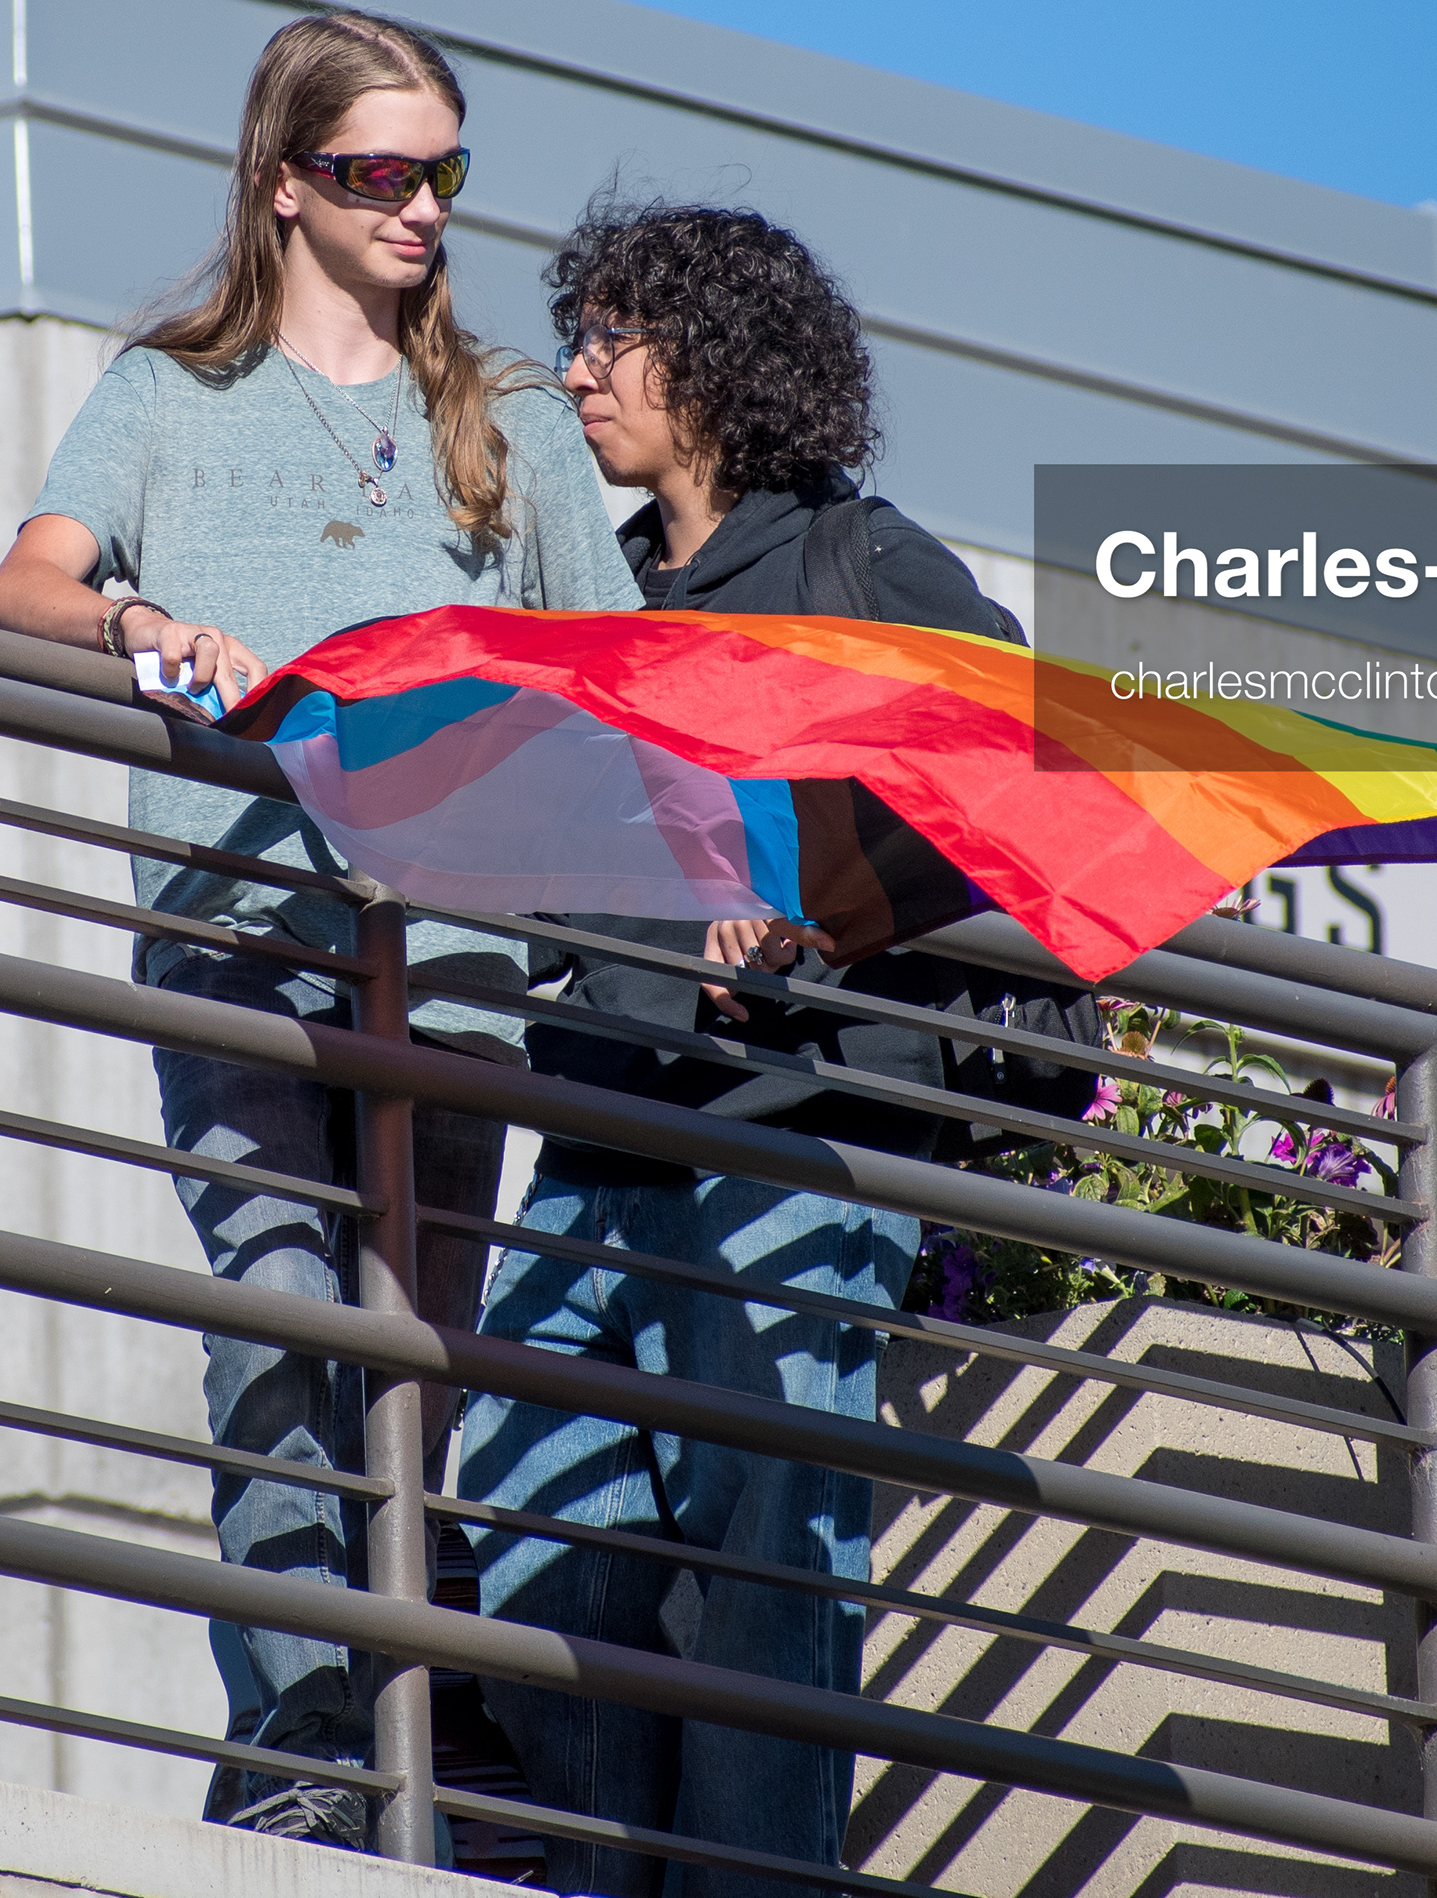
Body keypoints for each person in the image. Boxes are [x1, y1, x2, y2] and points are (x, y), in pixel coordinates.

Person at [0, 10, 638, 1846]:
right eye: (379, 173)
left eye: (447, 173)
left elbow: (612, 673)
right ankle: (302, 1744)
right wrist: (137, 625)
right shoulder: (167, 393)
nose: (422, 205)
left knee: (421, 1351)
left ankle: (414, 1736)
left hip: (457, 953)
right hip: (237, 923)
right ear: (286, 186)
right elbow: (26, 578)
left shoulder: (505, 419)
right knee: (277, 1321)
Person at [458, 195, 1099, 1898]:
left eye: (615, 337)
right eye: (578, 333)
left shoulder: (855, 559)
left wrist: (823, 919)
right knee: (538, 1542)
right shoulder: (602, 585)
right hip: (598, 1115)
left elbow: (1014, 788)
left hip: (796, 1130)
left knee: (765, 1573)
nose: (581, 369)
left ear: (721, 364)